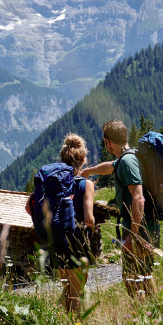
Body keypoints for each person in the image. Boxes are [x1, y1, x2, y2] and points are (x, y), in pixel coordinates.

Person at [81, 120, 158, 298]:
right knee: (139, 275)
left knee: (137, 277)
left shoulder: (127, 162)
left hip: (140, 228)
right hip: (141, 225)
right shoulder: (127, 157)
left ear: (108, 142)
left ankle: (147, 313)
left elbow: (138, 198)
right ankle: (150, 312)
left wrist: (133, 234)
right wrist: (89, 171)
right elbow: (111, 167)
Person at [55, 133, 96, 312]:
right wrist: (92, 231)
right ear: (83, 161)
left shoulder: (54, 183)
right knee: (77, 291)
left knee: (66, 290)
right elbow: (89, 218)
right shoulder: (86, 185)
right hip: (78, 242)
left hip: (57, 241)